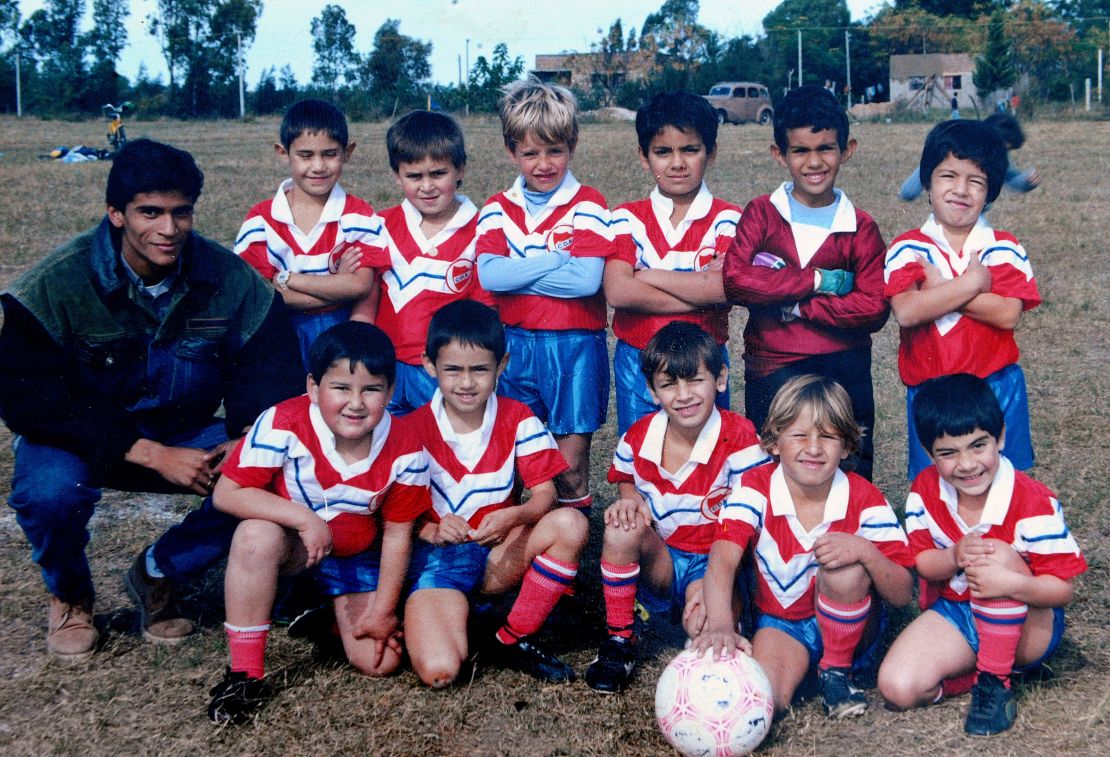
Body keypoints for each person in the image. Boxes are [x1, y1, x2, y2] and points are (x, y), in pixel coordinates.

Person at [0, 138, 304, 662]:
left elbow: (271, 370)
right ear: (115, 213)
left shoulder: (230, 281)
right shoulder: (55, 284)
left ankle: (158, 572)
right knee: (48, 492)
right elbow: (27, 397)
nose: (168, 229)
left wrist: (244, 438)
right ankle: (70, 594)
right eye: (150, 212)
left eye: (180, 212)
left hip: (188, 434)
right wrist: (146, 452)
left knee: (281, 470)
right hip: (80, 439)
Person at [637, 85, 888, 480]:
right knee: (772, 467)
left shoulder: (861, 226)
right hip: (774, 363)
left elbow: (872, 307)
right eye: (800, 151)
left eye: (825, 148)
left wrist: (799, 305)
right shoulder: (761, 213)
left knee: (848, 462)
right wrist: (817, 280)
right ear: (779, 155)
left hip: (844, 365)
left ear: (847, 149)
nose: (814, 162)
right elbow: (737, 280)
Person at [206, 322, 431, 724]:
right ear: (313, 387)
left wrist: (382, 611)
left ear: (391, 392)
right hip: (293, 550)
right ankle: (244, 675)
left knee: (379, 662)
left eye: (371, 389)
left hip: (355, 557)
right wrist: (303, 519)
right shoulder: (282, 421)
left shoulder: (405, 445)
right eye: (341, 388)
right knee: (255, 535)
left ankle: (324, 617)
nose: (356, 403)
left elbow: (398, 533)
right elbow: (227, 493)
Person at [694, 375, 914, 718]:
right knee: (760, 704)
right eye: (799, 435)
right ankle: (802, 671)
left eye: (827, 436)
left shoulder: (864, 497)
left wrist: (866, 552)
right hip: (784, 624)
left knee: (846, 567)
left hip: (853, 631)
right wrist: (722, 624)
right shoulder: (755, 486)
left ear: (845, 446)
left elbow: (903, 593)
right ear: (774, 442)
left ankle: (837, 673)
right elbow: (722, 560)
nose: (813, 448)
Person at [877, 374, 1085, 736]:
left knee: (993, 553)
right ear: (929, 454)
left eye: (978, 446)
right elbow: (924, 564)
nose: (967, 464)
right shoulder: (925, 490)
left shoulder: (1033, 501)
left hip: (1027, 623)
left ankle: (996, 681)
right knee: (898, 687)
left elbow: (1062, 590)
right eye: (948, 453)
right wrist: (955, 554)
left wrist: (1010, 583)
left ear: (1001, 437)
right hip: (960, 611)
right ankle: (975, 675)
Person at [403, 300, 588, 685]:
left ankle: (512, 635)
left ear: (501, 366)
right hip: (438, 560)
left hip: (496, 555)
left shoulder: (519, 417)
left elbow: (544, 496)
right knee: (441, 671)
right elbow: (396, 514)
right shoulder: (409, 429)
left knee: (569, 524)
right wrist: (431, 531)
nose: (466, 383)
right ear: (429, 365)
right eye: (452, 369)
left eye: (479, 370)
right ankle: (454, 615)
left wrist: (515, 515)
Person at [584, 323, 768, 694]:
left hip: (716, 562)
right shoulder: (636, 439)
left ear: (720, 379)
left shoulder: (742, 436)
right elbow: (627, 481)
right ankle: (621, 638)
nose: (684, 395)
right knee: (622, 528)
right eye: (669, 384)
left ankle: (721, 617)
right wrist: (629, 505)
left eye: (695, 381)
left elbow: (754, 513)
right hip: (664, 560)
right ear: (652, 392)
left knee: (707, 633)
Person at [475, 79, 613, 516]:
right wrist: (555, 258)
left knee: (570, 466)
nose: (543, 163)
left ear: (572, 145)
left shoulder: (589, 201)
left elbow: (586, 282)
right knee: (520, 462)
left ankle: (567, 564)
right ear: (511, 150)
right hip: (515, 346)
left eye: (554, 150)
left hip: (575, 346)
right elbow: (489, 275)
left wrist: (518, 271)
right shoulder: (497, 207)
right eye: (530, 152)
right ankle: (520, 551)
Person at [884, 119, 1040, 480]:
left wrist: (943, 288)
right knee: (934, 488)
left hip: (996, 387)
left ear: (991, 191)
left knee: (1004, 483)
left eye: (976, 181)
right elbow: (907, 311)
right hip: (932, 390)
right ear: (927, 181)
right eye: (948, 176)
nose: (961, 190)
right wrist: (972, 284)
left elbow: (1006, 314)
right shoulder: (908, 246)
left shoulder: (1003, 245)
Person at [605, 91, 741, 436]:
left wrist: (646, 275)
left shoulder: (730, 218)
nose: (677, 163)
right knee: (640, 457)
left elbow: (723, 288)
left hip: (705, 362)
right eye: (663, 152)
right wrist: (698, 289)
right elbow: (619, 291)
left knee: (707, 459)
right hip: (638, 358)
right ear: (643, 156)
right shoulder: (625, 217)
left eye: (690, 150)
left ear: (711, 153)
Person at [360, 110, 492, 416]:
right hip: (385, 368)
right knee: (386, 450)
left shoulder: (481, 228)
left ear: (460, 170)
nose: (427, 186)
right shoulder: (380, 225)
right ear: (397, 175)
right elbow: (367, 296)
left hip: (441, 373)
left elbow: (483, 312)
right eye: (414, 176)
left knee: (444, 450)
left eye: (437, 174)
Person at [234, 99, 378, 367]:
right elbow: (261, 297)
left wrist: (287, 278)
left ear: (348, 152)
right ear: (283, 153)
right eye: (306, 155)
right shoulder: (261, 220)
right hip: (278, 333)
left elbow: (360, 285)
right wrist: (337, 286)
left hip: (340, 333)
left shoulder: (358, 215)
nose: (318, 166)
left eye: (330, 154)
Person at [899, 113, 1040, 202]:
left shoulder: (996, 157)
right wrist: (909, 191)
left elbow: (1008, 176)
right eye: (1003, 148)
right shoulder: (954, 149)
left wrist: (1026, 181)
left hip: (975, 216)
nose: (1003, 154)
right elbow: (909, 190)